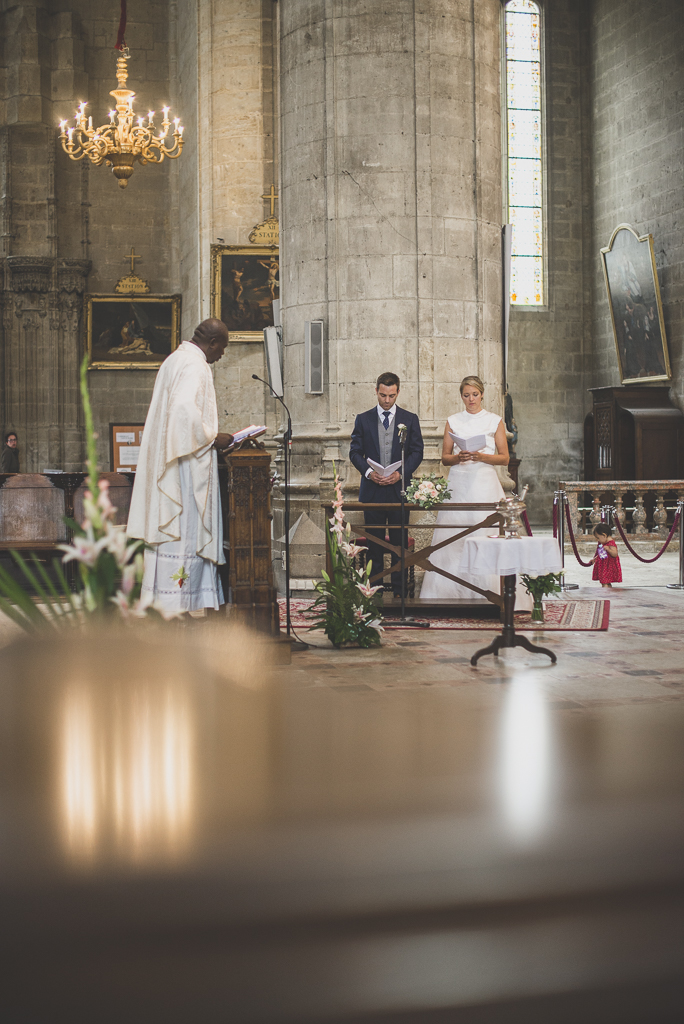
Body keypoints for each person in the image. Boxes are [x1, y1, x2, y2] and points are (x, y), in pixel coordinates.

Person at [127, 318, 234, 613]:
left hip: (174, 461)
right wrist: (213, 438)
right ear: (212, 343)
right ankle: (180, 603)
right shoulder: (196, 365)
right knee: (185, 533)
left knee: (172, 536)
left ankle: (165, 602)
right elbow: (184, 411)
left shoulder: (174, 360)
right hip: (185, 469)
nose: (222, 355)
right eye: (222, 348)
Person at [420, 376, 529, 607]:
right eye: (466, 395)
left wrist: (481, 456)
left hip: (484, 481)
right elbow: (445, 458)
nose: (471, 399)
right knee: (456, 535)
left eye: (475, 395)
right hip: (459, 482)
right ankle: (449, 593)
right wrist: (458, 457)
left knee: (486, 532)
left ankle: (494, 593)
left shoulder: (494, 420)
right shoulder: (453, 421)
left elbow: (504, 457)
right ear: (461, 396)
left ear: (482, 394)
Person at [349, 372, 423, 596]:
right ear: (376, 391)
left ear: (398, 392)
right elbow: (354, 452)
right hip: (372, 492)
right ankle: (375, 593)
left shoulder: (409, 419)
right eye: (383, 395)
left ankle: (401, 593)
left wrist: (400, 474)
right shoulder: (363, 419)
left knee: (400, 545)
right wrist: (370, 472)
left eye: (391, 395)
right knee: (375, 546)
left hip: (399, 491)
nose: (387, 400)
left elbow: (417, 452)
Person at [591, 523, 622, 588]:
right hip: (604, 566)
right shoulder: (604, 543)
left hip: (608, 567)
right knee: (605, 582)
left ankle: (605, 595)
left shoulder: (611, 543)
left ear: (604, 535)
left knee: (604, 582)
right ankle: (608, 593)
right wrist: (595, 558)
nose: (598, 540)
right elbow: (601, 553)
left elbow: (615, 554)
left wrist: (608, 549)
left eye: (598, 538)